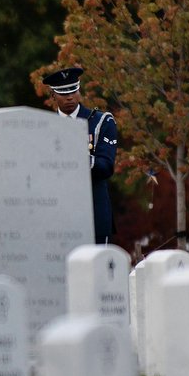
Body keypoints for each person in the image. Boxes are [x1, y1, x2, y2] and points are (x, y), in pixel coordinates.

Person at [43, 67, 118, 244]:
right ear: (53, 95)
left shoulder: (100, 121)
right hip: (57, 218)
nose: (70, 97)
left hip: (94, 213)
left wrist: (74, 157)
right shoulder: (44, 127)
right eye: (63, 93)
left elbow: (105, 167)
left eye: (73, 91)